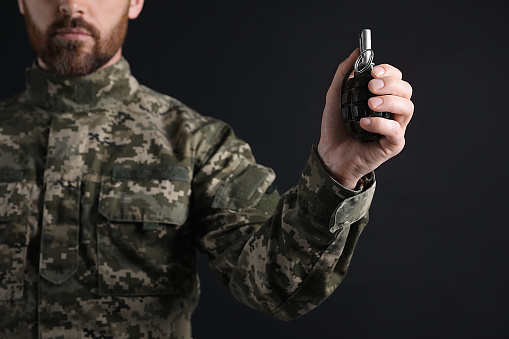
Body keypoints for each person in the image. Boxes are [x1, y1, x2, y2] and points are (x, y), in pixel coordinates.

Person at [0, 0, 414, 338]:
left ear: (135, 1)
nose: (71, 5)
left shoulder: (197, 142)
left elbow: (275, 285)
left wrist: (337, 174)